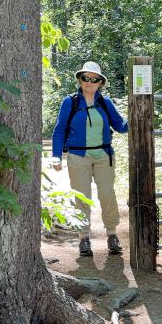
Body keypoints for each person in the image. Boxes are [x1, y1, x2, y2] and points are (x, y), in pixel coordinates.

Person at [52, 61, 128, 257]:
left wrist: (140, 115)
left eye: (94, 79)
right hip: (78, 156)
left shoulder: (105, 102)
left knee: (107, 195)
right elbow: (59, 131)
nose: (89, 82)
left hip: (104, 155)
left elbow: (120, 126)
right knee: (82, 196)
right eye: (86, 77)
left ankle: (112, 235)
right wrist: (56, 156)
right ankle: (83, 237)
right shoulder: (70, 102)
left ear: (100, 83)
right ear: (80, 79)